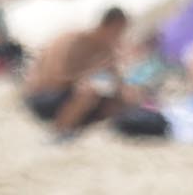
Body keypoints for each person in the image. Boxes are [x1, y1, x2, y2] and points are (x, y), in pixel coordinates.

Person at [24, 7, 129, 136]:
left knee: (120, 98)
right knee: (89, 90)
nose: (120, 36)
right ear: (111, 25)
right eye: (119, 31)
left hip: (69, 97)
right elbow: (53, 80)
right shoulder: (74, 40)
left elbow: (117, 82)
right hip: (43, 95)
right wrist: (91, 73)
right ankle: (60, 132)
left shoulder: (105, 48)